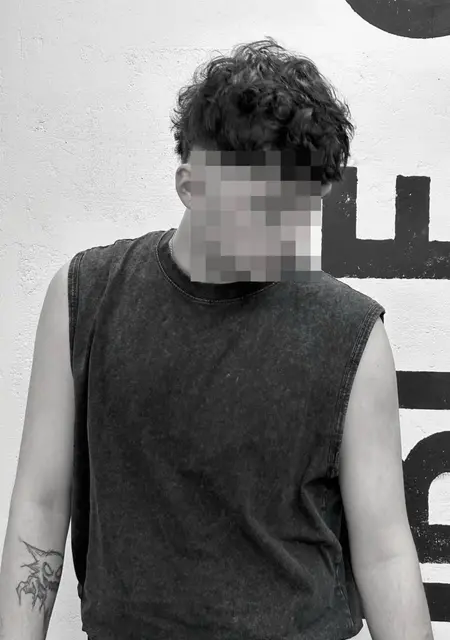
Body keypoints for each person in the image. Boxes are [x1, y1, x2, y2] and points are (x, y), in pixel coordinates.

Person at [0, 37, 434, 640]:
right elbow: (41, 507)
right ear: (190, 185)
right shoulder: (86, 296)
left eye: (300, 208)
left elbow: (384, 551)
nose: (282, 232)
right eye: (261, 206)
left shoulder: (350, 331)